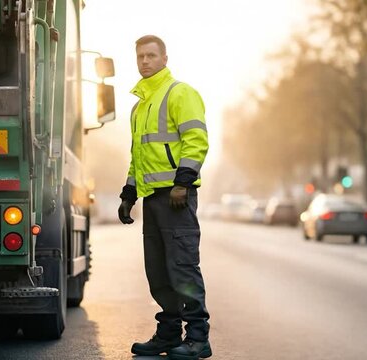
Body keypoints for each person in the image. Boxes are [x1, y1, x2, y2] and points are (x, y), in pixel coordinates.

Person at [118, 35, 211, 360]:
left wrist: (183, 181)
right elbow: (139, 157)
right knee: (158, 272)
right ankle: (169, 334)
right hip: (152, 199)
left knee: (182, 267)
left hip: (176, 197)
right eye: (140, 56)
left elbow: (196, 139)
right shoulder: (140, 106)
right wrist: (129, 193)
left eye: (151, 55)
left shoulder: (179, 93)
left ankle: (198, 338)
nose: (145, 61)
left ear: (164, 58)